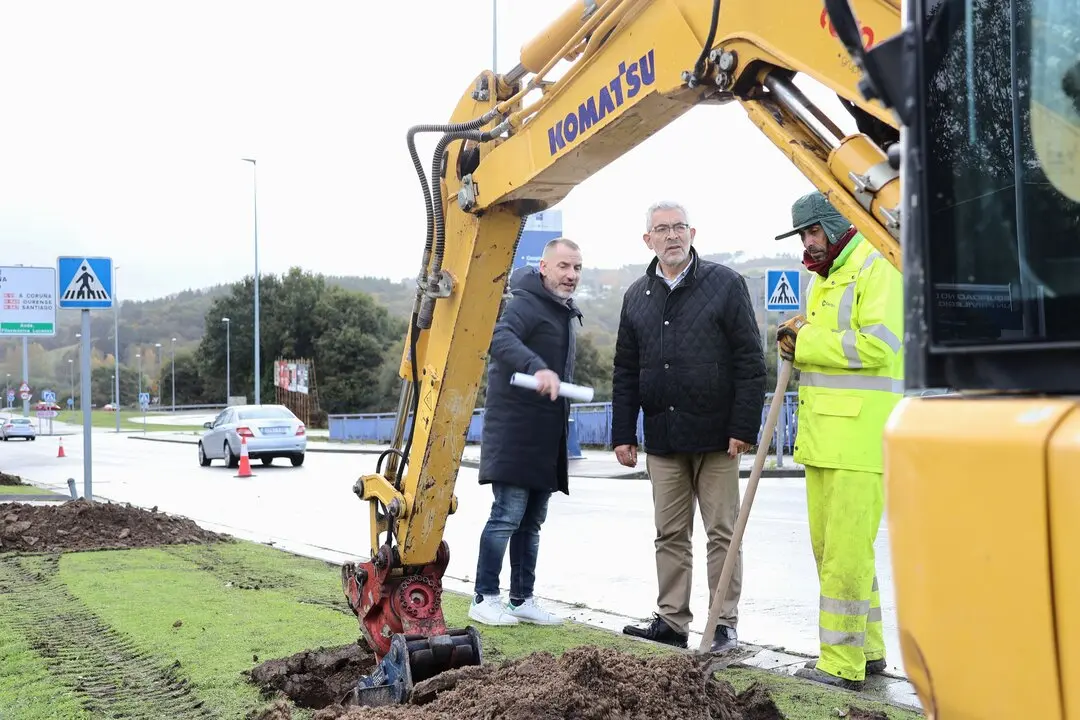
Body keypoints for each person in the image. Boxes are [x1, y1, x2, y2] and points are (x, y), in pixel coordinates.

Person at [612, 201, 766, 652]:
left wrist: (744, 426)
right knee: (670, 534)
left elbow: (750, 361)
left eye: (680, 227)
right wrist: (624, 433)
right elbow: (624, 370)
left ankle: (723, 624)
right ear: (649, 240)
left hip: (720, 438)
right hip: (663, 438)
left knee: (723, 532)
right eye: (663, 229)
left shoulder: (726, 283)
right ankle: (672, 622)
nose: (673, 235)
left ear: (693, 233)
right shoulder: (636, 296)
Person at [772, 191, 904, 691]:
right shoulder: (820, 282)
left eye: (812, 232)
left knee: (846, 555)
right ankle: (867, 652)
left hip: (862, 441)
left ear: (834, 224)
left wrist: (804, 340)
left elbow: (877, 345)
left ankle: (840, 665)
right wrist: (795, 334)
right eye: (803, 235)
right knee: (832, 551)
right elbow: (821, 346)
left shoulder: (879, 267)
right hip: (823, 439)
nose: (808, 243)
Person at [469, 237, 584, 627]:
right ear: (544, 267)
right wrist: (537, 367)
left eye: (577, 268)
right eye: (564, 266)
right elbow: (498, 339)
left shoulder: (564, 312)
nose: (571, 275)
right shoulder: (525, 303)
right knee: (507, 515)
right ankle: (484, 597)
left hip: (545, 436)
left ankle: (522, 599)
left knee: (532, 521)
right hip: (515, 432)